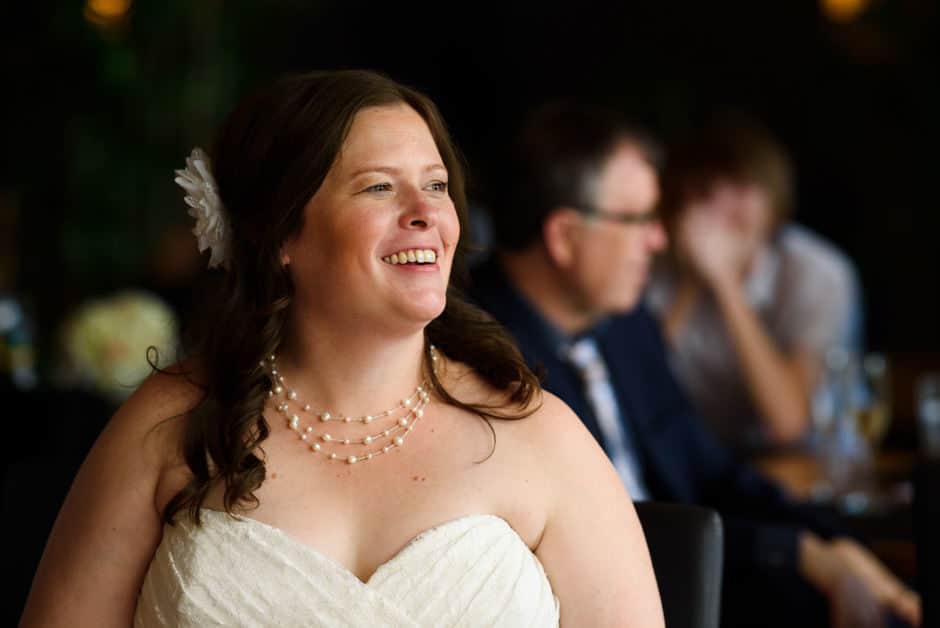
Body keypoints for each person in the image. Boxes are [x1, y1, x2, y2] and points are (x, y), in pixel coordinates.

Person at [18, 71, 663, 627]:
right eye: (380, 187)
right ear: (282, 235)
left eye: (436, 186)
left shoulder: (537, 434)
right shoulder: (168, 424)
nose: (425, 214)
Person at [468, 101, 920, 628]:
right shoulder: (481, 350)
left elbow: (709, 470)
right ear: (564, 236)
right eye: (638, 220)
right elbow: (600, 533)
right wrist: (797, 553)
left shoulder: (626, 324)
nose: (659, 240)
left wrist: (838, 545)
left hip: (700, 569)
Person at [646, 116, 863, 454]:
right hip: (702, 469)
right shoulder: (651, 266)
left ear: (773, 199)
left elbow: (789, 424)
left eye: (741, 188)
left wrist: (725, 283)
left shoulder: (817, 273)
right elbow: (639, 396)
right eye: (703, 191)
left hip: (809, 468)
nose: (719, 208)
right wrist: (691, 283)